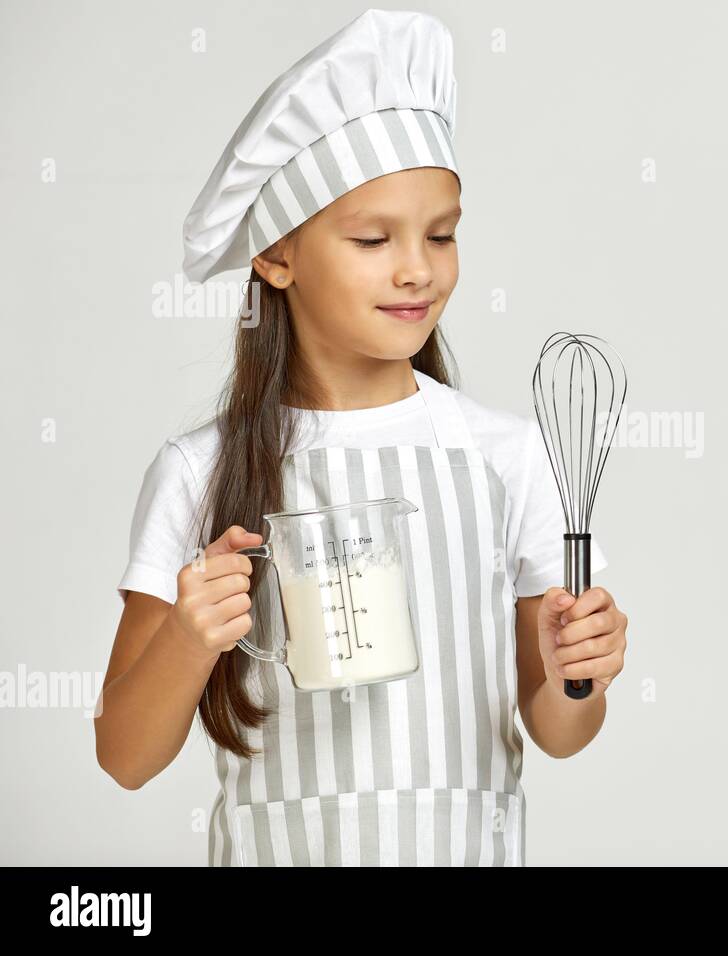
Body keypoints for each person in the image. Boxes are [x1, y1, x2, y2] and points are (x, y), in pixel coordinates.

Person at [94, 8, 629, 867]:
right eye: (373, 239)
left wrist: (583, 668)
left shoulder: (505, 456)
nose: (417, 267)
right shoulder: (201, 471)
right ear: (277, 258)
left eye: (442, 234)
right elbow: (124, 755)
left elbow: (560, 732)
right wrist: (192, 637)